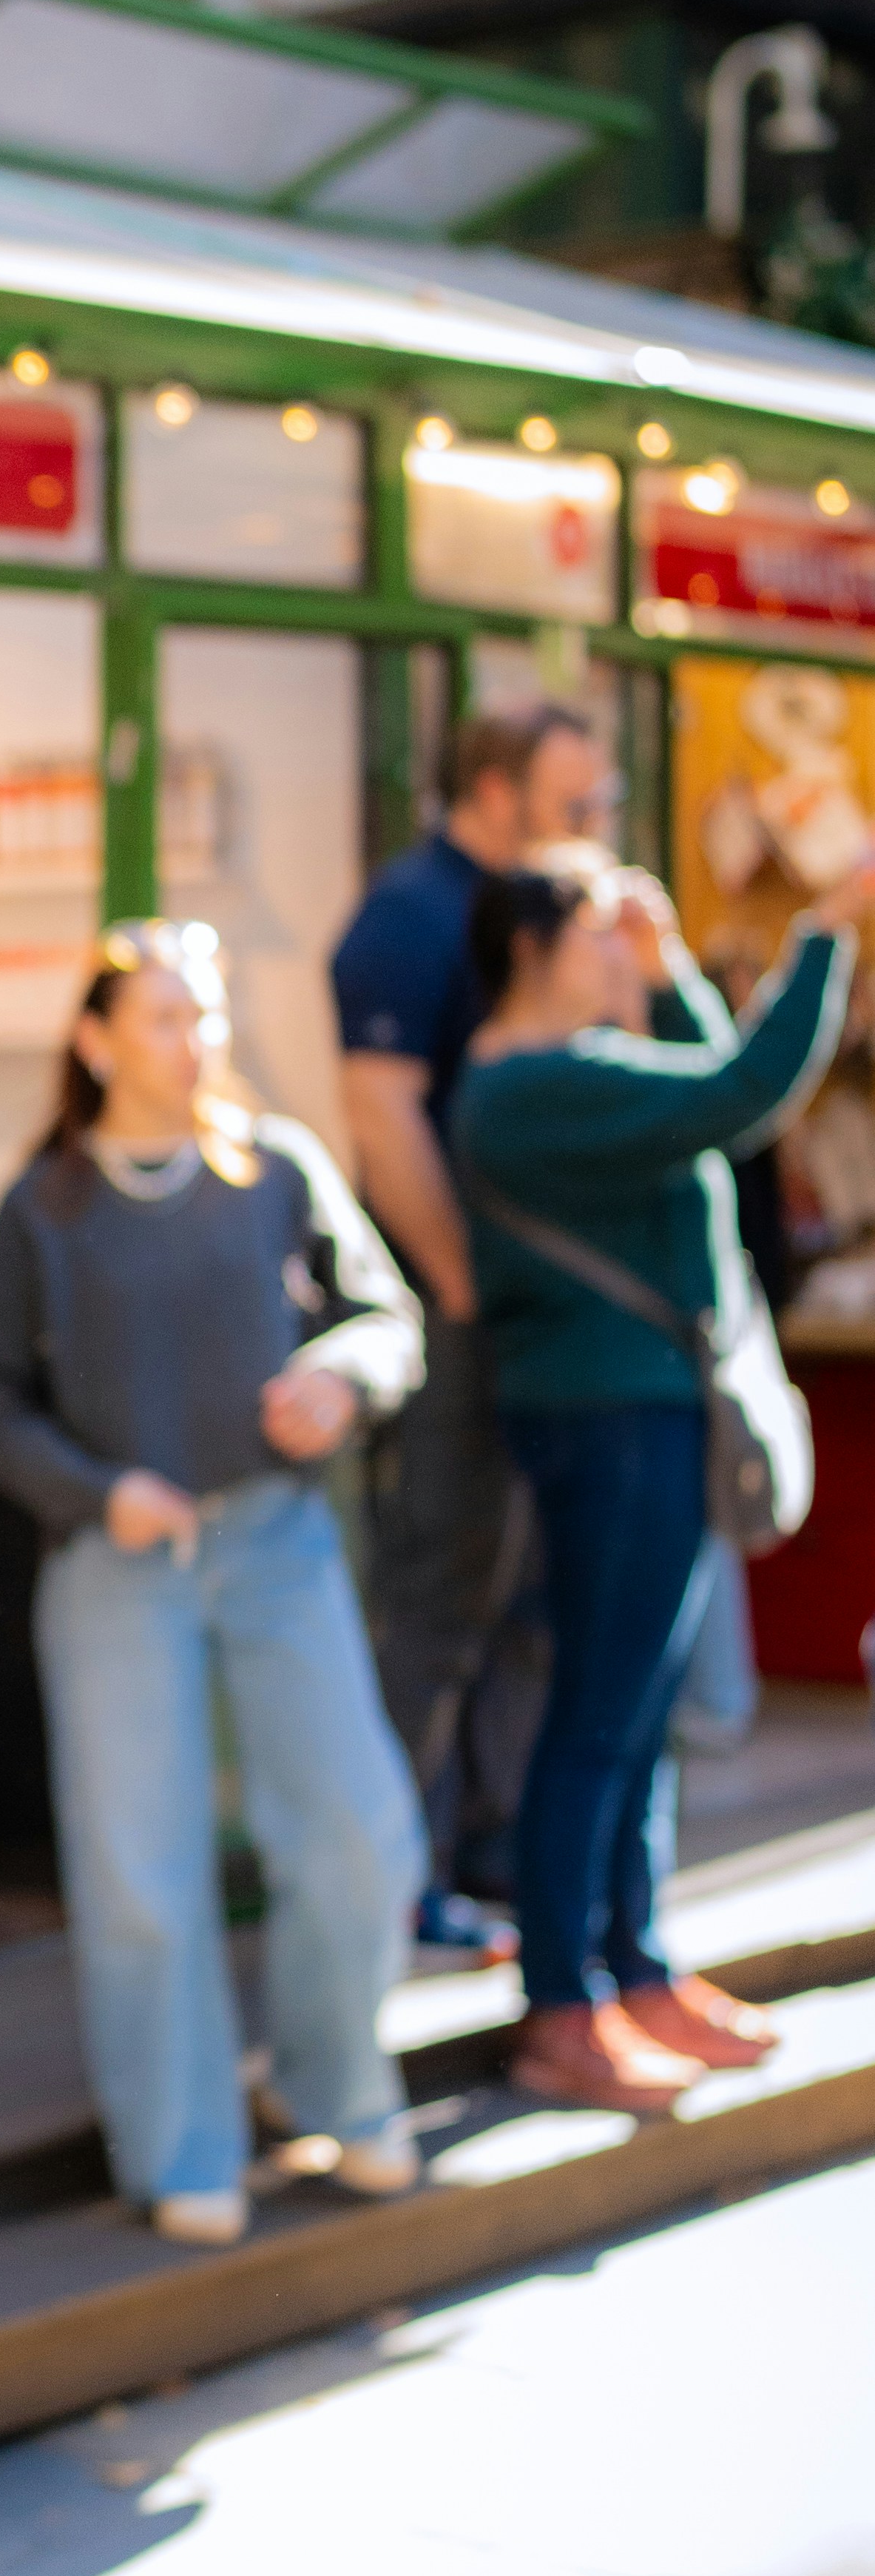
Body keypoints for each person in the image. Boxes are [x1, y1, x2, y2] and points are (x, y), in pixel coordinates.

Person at [0, 923, 428, 2244]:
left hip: (278, 1540)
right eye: (165, 1016)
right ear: (98, 1039)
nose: (195, 1039)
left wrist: (343, 1374)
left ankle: (333, 2085)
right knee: (140, 1871)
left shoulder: (278, 1168)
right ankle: (181, 2148)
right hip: (115, 1559)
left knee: (357, 1831)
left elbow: (386, 1319)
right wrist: (97, 1489)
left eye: (205, 1013)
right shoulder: (42, 1205)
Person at [453, 848, 858, 2112]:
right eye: (598, 932)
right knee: (599, 1715)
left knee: (639, 1716)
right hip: (610, 1421)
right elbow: (739, 1093)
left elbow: (713, 1098)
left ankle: (636, 1968)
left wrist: (672, 964)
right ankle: (563, 2003)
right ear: (533, 950)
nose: (616, 952)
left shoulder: (575, 1071)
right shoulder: (535, 1085)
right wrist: (825, 936)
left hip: (639, 1415)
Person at [331, 702, 613, 1951]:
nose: (592, 824)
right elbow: (381, 1117)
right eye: (571, 802)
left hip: (543, 1324)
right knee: (441, 1590)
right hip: (456, 1319)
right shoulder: (408, 916)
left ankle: (498, 1848)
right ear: (494, 791)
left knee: (532, 1591)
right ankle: (402, 1871)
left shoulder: (546, 907)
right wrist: (457, 1285)